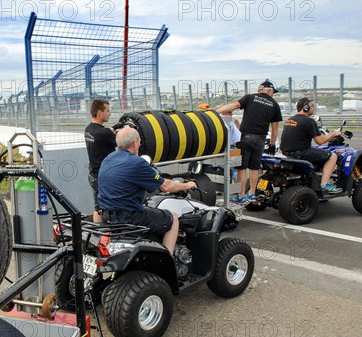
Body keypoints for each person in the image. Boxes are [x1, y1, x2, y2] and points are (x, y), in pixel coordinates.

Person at [97, 126, 197, 255]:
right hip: (129, 217)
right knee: (172, 218)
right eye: (139, 141)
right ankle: (167, 259)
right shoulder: (137, 162)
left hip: (105, 215)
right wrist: (186, 185)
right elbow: (166, 186)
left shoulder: (108, 158)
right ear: (135, 143)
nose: (140, 144)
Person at [217, 79, 282, 204]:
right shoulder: (275, 105)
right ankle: (252, 193)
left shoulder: (250, 97)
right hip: (261, 138)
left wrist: (216, 112)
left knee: (242, 168)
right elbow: (275, 128)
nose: (273, 94)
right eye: (273, 91)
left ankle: (241, 194)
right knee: (254, 167)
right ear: (268, 90)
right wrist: (273, 144)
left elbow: (234, 106)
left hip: (246, 136)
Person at [280, 97, 343, 193]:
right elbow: (320, 141)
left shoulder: (290, 120)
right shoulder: (309, 121)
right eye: (312, 106)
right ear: (305, 108)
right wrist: (334, 134)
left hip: (286, 153)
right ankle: (324, 185)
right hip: (300, 153)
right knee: (332, 156)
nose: (314, 108)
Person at [84, 99, 124, 222]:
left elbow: (104, 133)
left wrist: (114, 127)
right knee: (109, 208)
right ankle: (107, 236)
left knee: (98, 208)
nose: (110, 113)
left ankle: (99, 236)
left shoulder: (89, 129)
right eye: (108, 110)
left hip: (94, 174)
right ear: (100, 113)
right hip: (105, 177)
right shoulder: (104, 134)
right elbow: (125, 141)